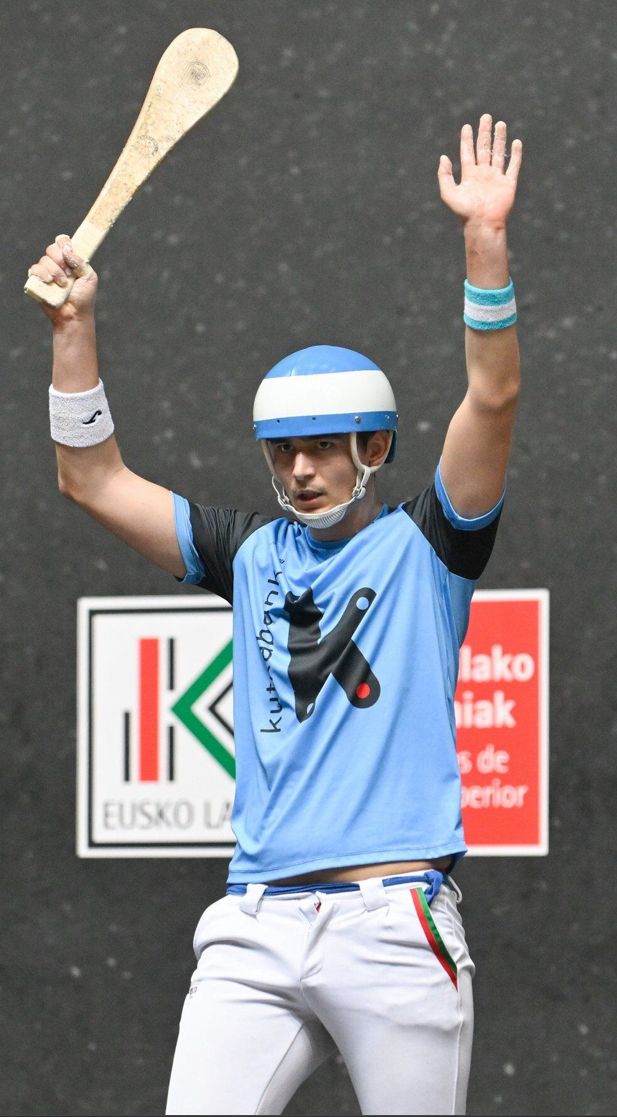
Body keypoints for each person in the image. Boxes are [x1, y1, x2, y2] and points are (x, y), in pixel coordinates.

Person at [29, 113, 522, 1116]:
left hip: (395, 924)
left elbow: (493, 395)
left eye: (323, 446)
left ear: (373, 448)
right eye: (283, 451)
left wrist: (483, 242)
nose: (299, 470)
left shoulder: (430, 547)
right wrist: (73, 330)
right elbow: (92, 479)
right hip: (255, 924)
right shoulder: (248, 552)